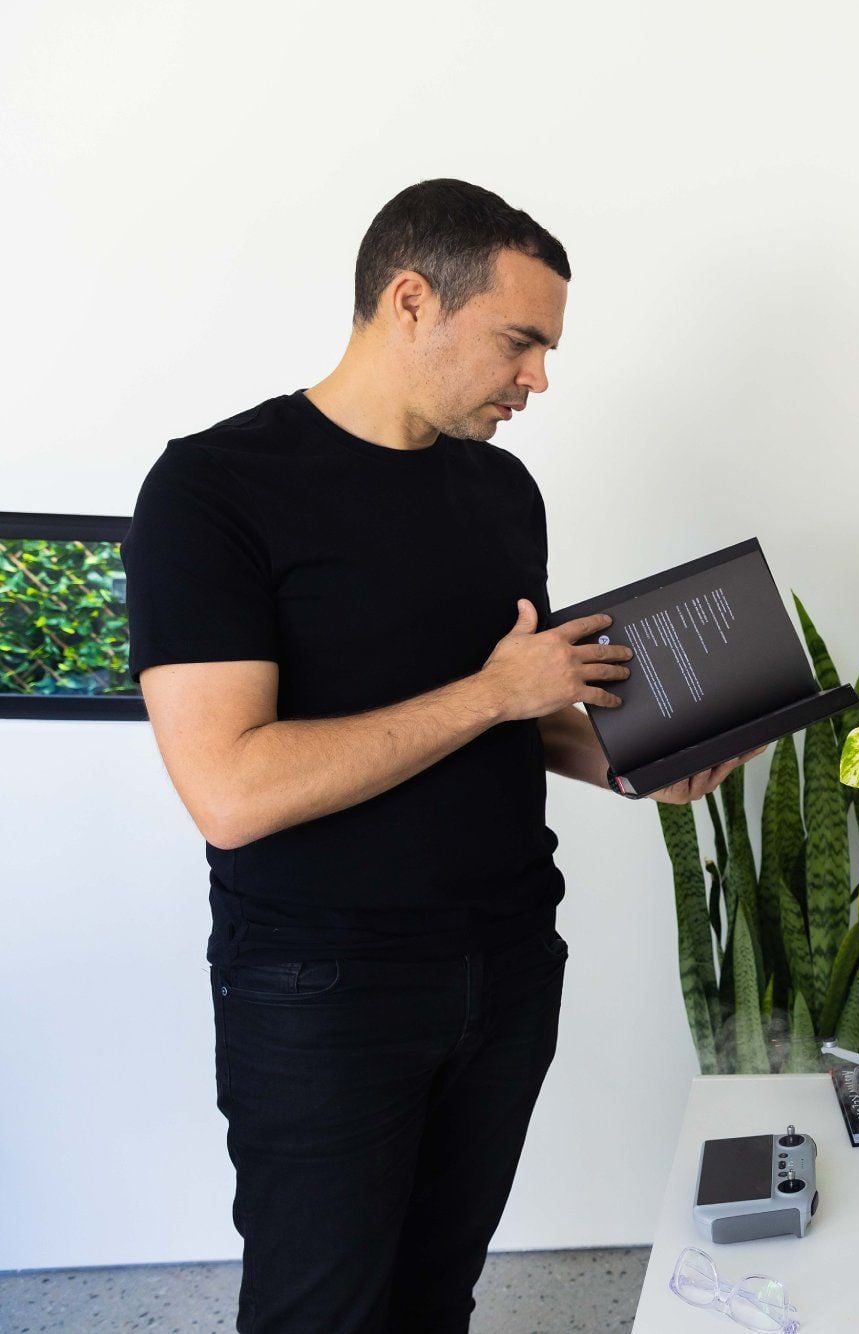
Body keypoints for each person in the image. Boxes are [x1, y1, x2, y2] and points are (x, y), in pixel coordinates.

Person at [123, 178, 759, 1333]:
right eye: (521, 341)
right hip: (321, 991)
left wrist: (630, 761)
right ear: (410, 299)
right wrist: (489, 692)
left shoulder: (502, 490)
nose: (539, 379)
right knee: (319, 1311)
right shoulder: (211, 491)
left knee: (434, 1299)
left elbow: (526, 709)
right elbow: (228, 789)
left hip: (508, 967)